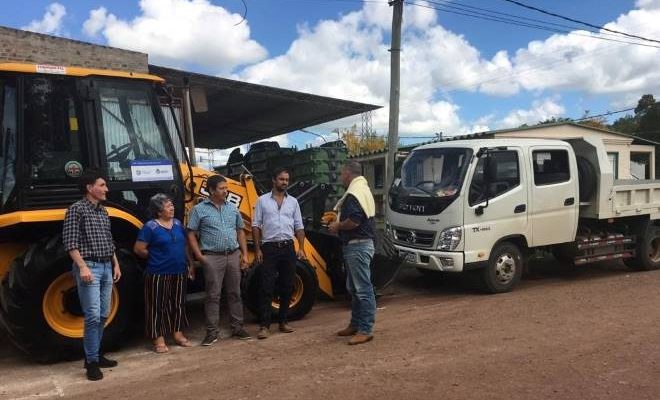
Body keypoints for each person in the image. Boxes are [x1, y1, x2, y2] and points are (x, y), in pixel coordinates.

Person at [62, 169, 121, 381]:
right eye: (102, 185)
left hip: (106, 266)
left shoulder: (103, 212)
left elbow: (109, 240)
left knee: (104, 314)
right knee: (93, 315)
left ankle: (96, 355)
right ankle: (92, 362)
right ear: (90, 188)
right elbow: (70, 242)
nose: (106, 189)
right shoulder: (76, 210)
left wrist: (115, 264)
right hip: (89, 267)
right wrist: (83, 267)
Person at [187, 175, 251, 346]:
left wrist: (244, 255)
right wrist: (199, 256)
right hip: (212, 257)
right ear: (212, 190)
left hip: (233, 255)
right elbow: (191, 234)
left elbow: (240, 232)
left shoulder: (232, 208)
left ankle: (238, 328)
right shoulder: (199, 210)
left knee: (235, 293)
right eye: (222, 188)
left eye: (226, 188)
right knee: (213, 295)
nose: (226, 191)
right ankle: (211, 332)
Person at [134, 194, 193, 354]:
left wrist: (190, 263)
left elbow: (184, 246)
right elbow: (139, 249)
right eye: (168, 206)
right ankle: (158, 338)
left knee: (178, 304)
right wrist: (155, 256)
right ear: (159, 211)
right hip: (158, 273)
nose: (172, 208)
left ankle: (178, 334)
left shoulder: (178, 224)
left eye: (171, 205)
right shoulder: (150, 227)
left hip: (179, 271)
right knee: (157, 306)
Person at [252, 167, 306, 340]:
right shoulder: (262, 201)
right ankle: (264, 326)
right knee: (266, 286)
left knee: (287, 285)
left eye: (287, 180)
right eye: (281, 179)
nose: (285, 182)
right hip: (269, 247)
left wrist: (301, 247)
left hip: (288, 247)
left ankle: (283, 322)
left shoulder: (294, 202)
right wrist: (258, 248)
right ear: (274, 180)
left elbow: (299, 226)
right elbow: (256, 225)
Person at [328, 160, 377, 345]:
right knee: (355, 288)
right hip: (358, 245)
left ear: (348, 173)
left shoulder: (354, 194)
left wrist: (337, 225)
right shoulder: (362, 190)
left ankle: (365, 329)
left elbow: (354, 221)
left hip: (358, 245)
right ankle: (355, 324)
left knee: (363, 289)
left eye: (342, 174)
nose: (341, 177)